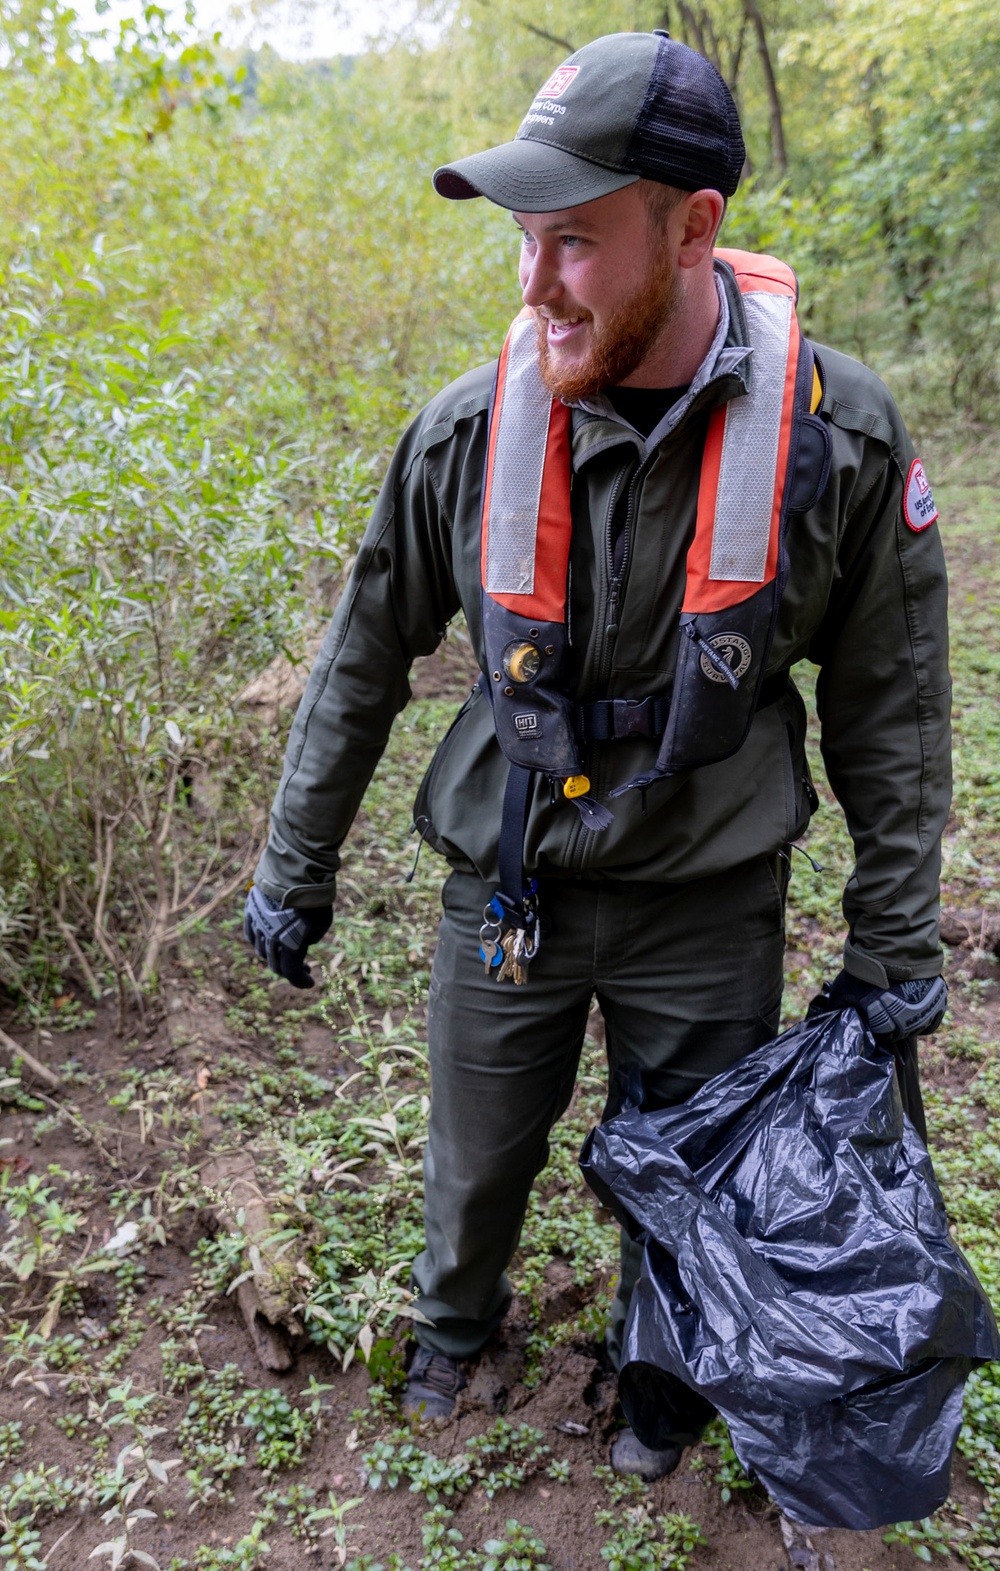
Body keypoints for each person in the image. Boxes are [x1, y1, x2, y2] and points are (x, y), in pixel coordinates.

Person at [243, 31, 950, 1480]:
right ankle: (456, 1331)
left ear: (695, 228)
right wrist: (291, 868)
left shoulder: (840, 443)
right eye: (522, 240)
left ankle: (661, 1390)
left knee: (691, 1178)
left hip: (708, 892)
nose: (535, 281)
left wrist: (894, 949)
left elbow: (900, 715)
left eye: (574, 242)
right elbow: (361, 656)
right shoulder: (462, 435)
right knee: (477, 1151)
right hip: (510, 890)